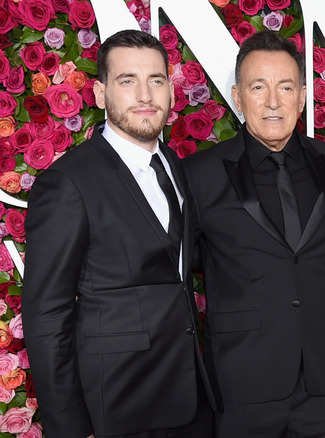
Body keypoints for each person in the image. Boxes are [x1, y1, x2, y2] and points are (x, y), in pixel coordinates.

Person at [23, 30, 214, 438]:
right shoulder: (68, 183)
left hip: (192, 404)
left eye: (156, 80)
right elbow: (46, 316)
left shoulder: (175, 167)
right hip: (116, 410)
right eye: (127, 81)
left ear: (171, 91)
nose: (145, 95)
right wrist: (71, 427)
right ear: (98, 92)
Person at [182, 30, 325, 437]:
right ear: (238, 97)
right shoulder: (198, 174)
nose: (273, 101)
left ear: (304, 95)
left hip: (323, 382)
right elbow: (181, 268)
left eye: (286, 87)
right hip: (241, 383)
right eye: (258, 87)